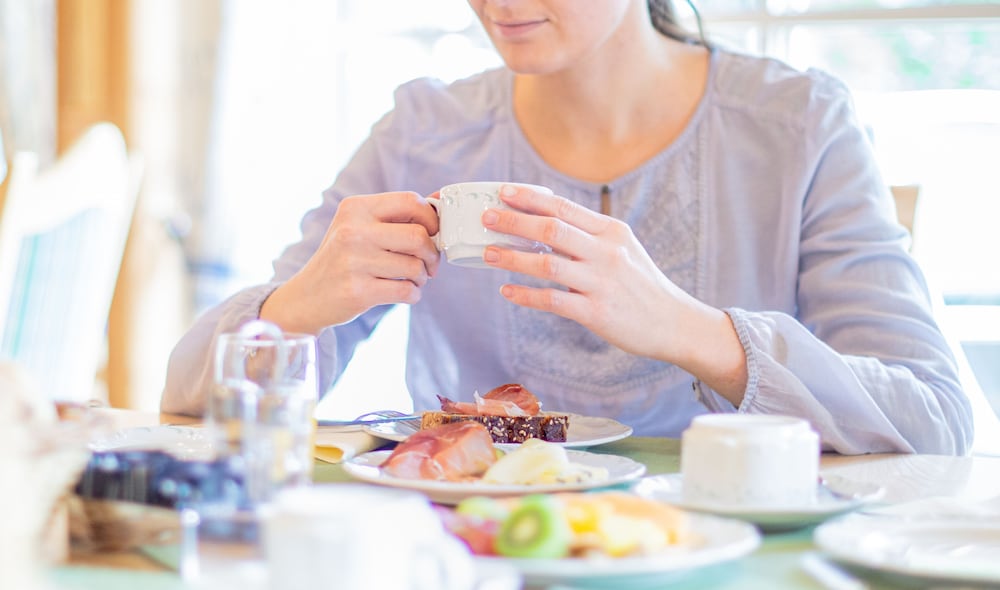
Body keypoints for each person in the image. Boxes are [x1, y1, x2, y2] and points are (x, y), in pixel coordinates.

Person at [163, 0, 973, 455]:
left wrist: (693, 331)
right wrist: (299, 306)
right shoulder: (423, 132)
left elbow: (936, 422)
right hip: (474, 560)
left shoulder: (799, 127)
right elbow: (189, 398)